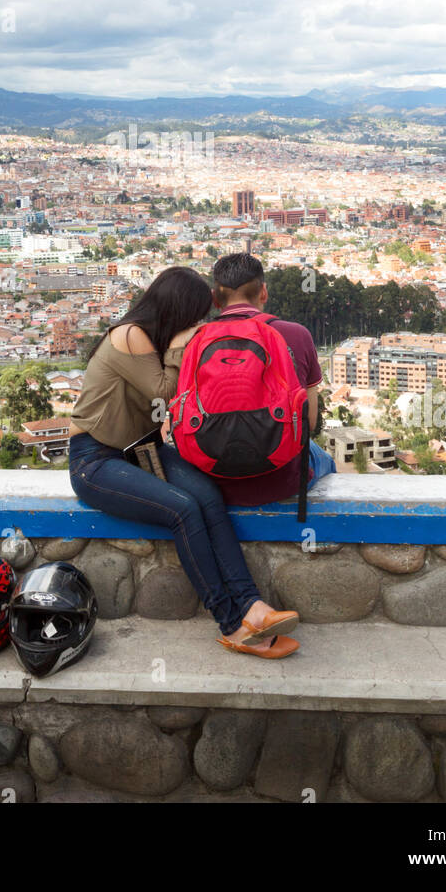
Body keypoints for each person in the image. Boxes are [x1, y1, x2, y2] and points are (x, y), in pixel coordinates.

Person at [68, 266, 300, 658]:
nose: (197, 323)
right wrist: (181, 345)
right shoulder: (130, 335)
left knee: (208, 496)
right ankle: (231, 623)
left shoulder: (154, 340)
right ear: (177, 309)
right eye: (193, 314)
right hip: (95, 460)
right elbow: (165, 391)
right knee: (182, 510)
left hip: (141, 452)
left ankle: (254, 607)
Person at [208, 252, 336, 508]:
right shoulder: (296, 334)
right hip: (283, 478)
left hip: (214, 478)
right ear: (263, 293)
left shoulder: (198, 340)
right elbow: (308, 422)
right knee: (326, 460)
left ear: (215, 298)